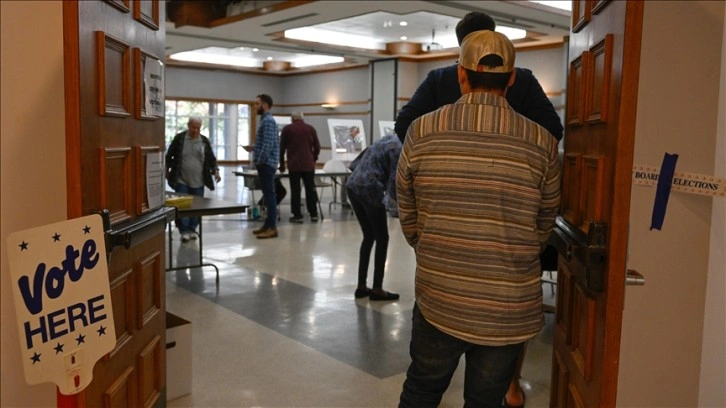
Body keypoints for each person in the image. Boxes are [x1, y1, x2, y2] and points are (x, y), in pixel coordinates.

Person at [394, 12, 563, 407]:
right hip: (508, 300)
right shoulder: (541, 142)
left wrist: (430, 241)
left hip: (441, 288)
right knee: (486, 399)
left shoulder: (422, 128)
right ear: (512, 78)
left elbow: (407, 206)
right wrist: (515, 247)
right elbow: (545, 219)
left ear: (461, 75)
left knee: (422, 387)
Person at [346, 134, 402, 302]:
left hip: (353, 185)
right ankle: (377, 288)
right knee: (382, 238)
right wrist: (398, 212)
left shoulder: (386, 139)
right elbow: (394, 182)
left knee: (369, 236)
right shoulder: (398, 148)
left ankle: (361, 286)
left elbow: (355, 163)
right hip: (370, 187)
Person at [165, 117, 221, 242]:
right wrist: (166, 170)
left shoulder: (204, 141)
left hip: (199, 180)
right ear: (188, 125)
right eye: (193, 127)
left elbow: (211, 159)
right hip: (182, 179)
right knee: (183, 206)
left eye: (198, 128)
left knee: (196, 206)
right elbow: (169, 155)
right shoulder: (180, 139)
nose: (195, 130)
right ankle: (184, 231)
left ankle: (192, 229)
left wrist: (216, 171)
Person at [279, 111, 321, 223]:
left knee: (295, 190)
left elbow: (282, 148)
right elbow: (317, 146)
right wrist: (314, 158)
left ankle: (297, 215)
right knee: (310, 189)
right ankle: (313, 214)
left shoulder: (287, 129)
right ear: (302, 118)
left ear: (292, 119)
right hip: (308, 165)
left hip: (294, 166)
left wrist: (282, 164)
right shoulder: (311, 129)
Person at [251, 94, 279, 239]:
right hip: (265, 163)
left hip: (266, 164)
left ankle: (272, 227)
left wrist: (259, 160)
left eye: (257, 104)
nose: (255, 107)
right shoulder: (264, 120)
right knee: (268, 196)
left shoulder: (268, 121)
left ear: (266, 105)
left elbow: (268, 145)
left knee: (270, 195)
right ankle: (267, 225)